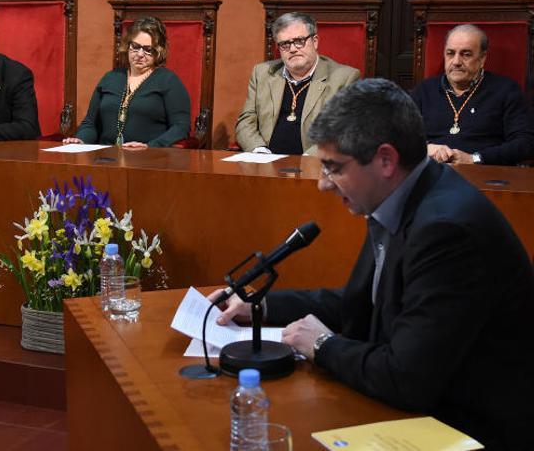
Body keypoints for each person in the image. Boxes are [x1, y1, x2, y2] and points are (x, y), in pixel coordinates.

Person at [210, 78, 534, 450]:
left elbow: (408, 378)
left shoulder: (447, 230)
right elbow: (362, 302)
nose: (324, 185)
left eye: (333, 167)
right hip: (418, 409)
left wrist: (325, 345)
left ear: (385, 160)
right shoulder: (402, 195)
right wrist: (261, 305)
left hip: (468, 428)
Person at [235, 12, 360, 155]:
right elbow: (246, 122)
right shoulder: (262, 73)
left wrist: (306, 160)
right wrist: (259, 150)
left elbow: (343, 130)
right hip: (266, 164)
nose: (293, 49)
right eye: (285, 44)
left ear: (315, 41)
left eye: (299, 41)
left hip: (314, 166)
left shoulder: (344, 78)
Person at [411, 24, 534, 165]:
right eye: (450, 53)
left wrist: (475, 158)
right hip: (431, 172)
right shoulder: (424, 90)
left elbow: (525, 143)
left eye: (466, 54)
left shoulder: (506, 90)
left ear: (482, 59)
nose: (456, 61)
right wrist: (425, 148)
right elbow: (398, 137)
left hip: (486, 175)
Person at [63, 16, 190, 148]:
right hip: (105, 157)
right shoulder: (110, 78)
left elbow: (181, 127)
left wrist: (150, 146)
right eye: (135, 46)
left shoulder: (168, 80)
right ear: (127, 45)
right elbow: (90, 124)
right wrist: (80, 140)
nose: (140, 54)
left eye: (148, 49)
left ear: (158, 52)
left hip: (148, 159)